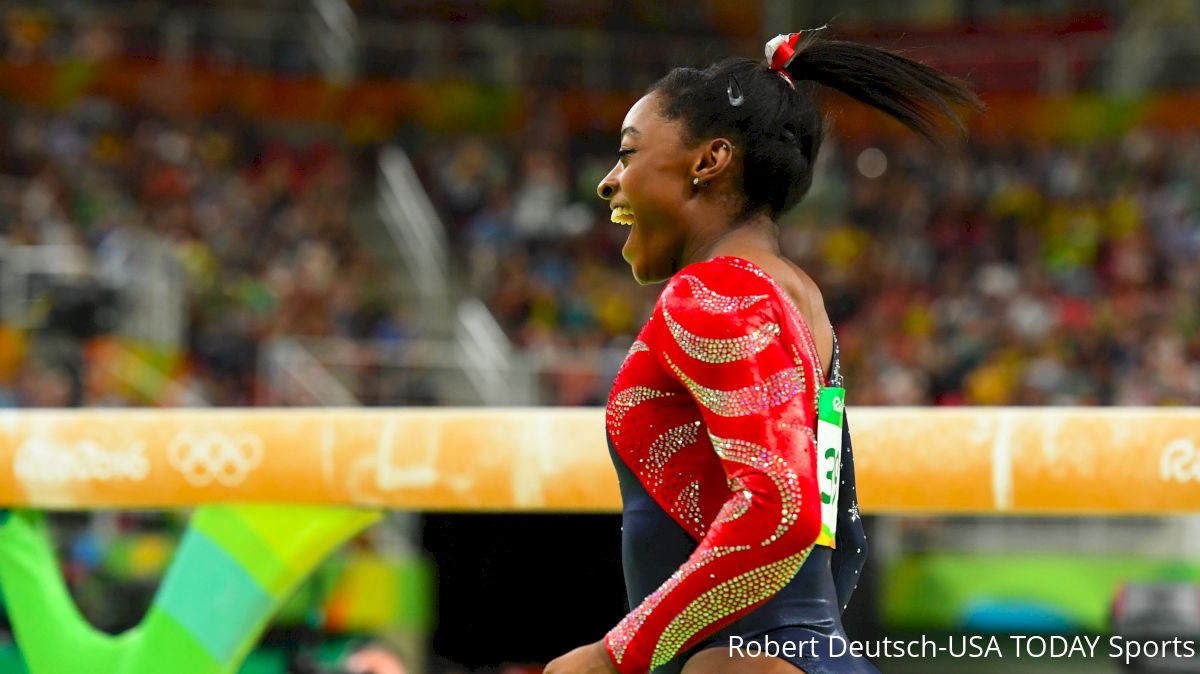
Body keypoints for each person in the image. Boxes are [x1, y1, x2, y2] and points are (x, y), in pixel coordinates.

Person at [544, 29, 980, 674]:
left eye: (628, 154)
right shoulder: (803, 303)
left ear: (709, 160)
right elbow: (842, 533)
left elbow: (784, 506)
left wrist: (618, 656)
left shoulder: (716, 292)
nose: (610, 183)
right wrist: (809, 643)